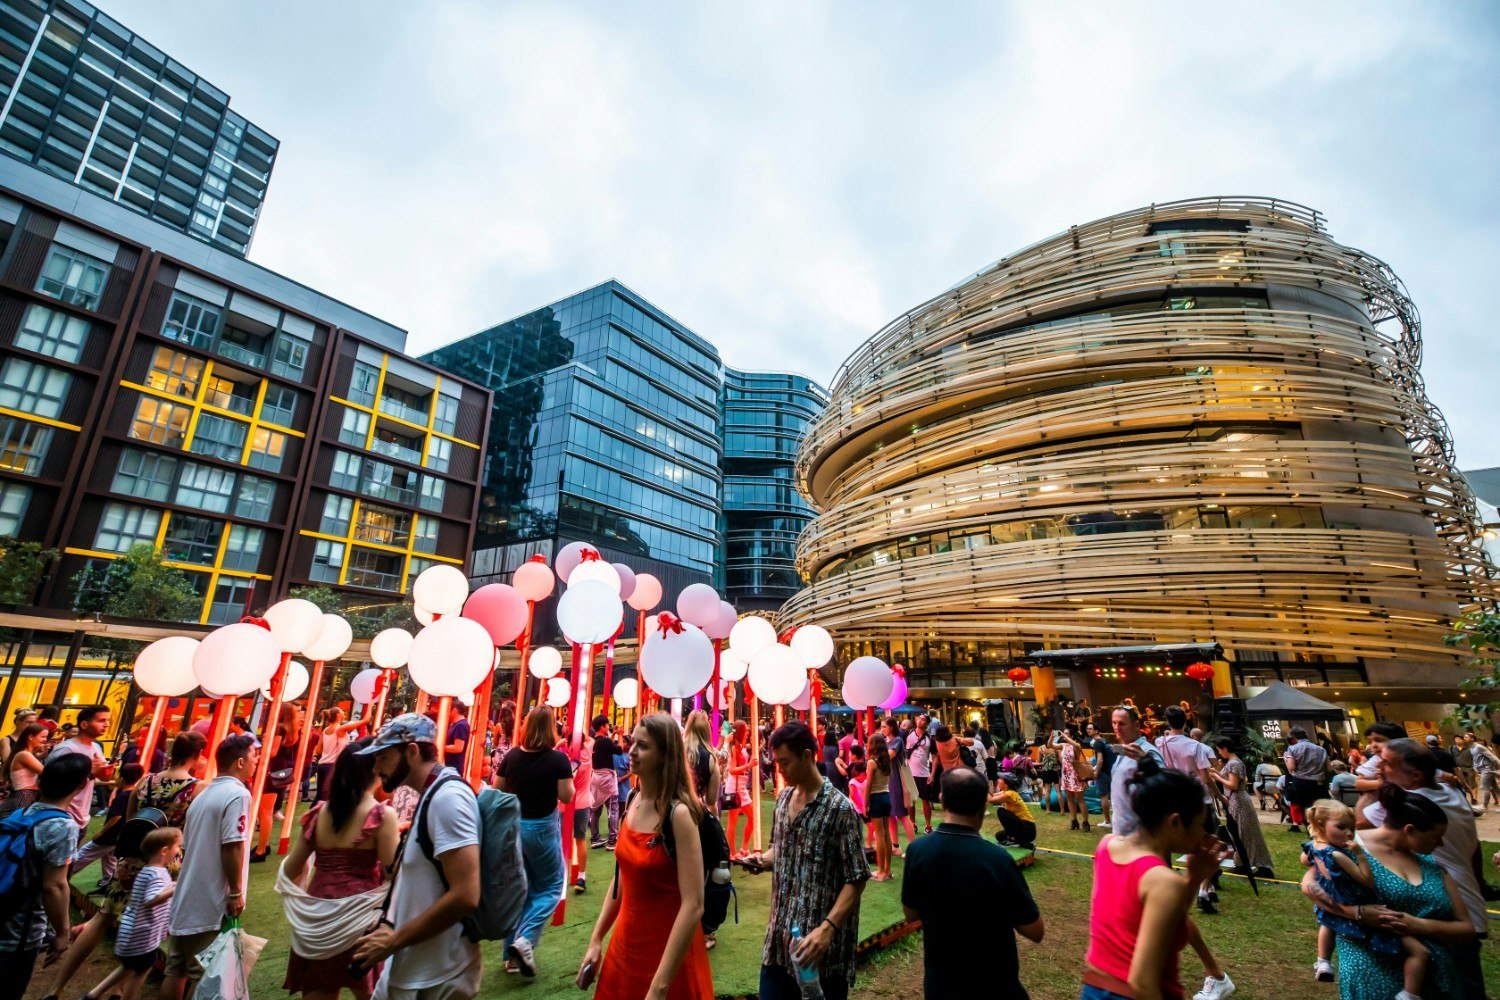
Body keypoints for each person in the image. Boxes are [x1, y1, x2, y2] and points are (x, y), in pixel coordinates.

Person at [581, 713, 713, 999]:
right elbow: (619, 883)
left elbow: (694, 905)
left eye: (643, 746)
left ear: (665, 755)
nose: (631, 750)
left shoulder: (679, 814)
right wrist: (596, 939)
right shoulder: (632, 799)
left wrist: (659, 986)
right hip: (624, 949)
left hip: (667, 962)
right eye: (633, 742)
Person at [350, 714, 482, 1000]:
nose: (376, 767)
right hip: (415, 969)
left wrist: (394, 939)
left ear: (411, 752)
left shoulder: (447, 799)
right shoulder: (433, 793)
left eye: (383, 757)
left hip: (438, 976)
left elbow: (466, 893)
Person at [1302, 785, 1475, 999]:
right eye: (1435, 836)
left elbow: (1466, 929)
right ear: (1409, 830)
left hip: (1437, 981)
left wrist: (1418, 924)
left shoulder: (1432, 865)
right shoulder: (1348, 848)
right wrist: (1356, 913)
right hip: (1373, 977)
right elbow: (1309, 886)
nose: (1440, 843)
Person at [1083, 758, 1234, 1000]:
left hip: (1095, 990)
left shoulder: (1106, 847)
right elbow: (1142, 983)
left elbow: (1157, 924)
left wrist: (1193, 880)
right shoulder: (1161, 880)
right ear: (1174, 822)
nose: (1203, 834)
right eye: (1199, 825)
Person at [750, 721, 868, 1000]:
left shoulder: (841, 809)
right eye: (776, 762)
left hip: (821, 955)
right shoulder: (783, 800)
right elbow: (780, 849)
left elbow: (857, 877)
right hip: (779, 945)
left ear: (807, 756)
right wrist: (762, 860)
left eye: (784, 762)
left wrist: (827, 929)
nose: (778, 769)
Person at [1361, 739, 1488, 998]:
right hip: (1468, 906)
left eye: (1386, 763)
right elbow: (1474, 849)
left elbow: (1355, 824)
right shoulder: (1450, 793)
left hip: (1442, 914)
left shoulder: (1409, 807)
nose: (1379, 767)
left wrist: (1370, 789)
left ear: (1415, 775)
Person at [903, 767, 1042, 997]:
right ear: (983, 806)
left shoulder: (918, 851)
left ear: (941, 799)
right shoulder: (998, 860)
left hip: (941, 985)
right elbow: (1034, 930)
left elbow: (911, 915)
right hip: (994, 984)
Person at [281, 738, 399, 1000]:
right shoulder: (381, 815)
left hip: (317, 917)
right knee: (372, 993)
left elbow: (290, 868)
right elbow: (393, 875)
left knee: (318, 990)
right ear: (375, 769)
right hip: (361, 917)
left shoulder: (319, 813)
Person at [160, 733, 255, 1000]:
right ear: (239, 762)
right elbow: (232, 844)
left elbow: (190, 846)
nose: (255, 762)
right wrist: (235, 892)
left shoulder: (203, 795)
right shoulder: (237, 794)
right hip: (210, 901)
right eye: (253, 757)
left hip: (186, 897)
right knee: (205, 977)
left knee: (175, 971)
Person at [1301, 798, 1429, 995]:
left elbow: (1304, 859)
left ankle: (1323, 961)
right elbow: (1366, 880)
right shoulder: (1337, 855)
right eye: (1341, 827)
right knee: (1417, 951)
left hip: (1335, 901)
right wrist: (1360, 855)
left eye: (1352, 828)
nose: (1349, 833)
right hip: (1356, 900)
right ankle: (1409, 994)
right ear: (1320, 825)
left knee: (1327, 924)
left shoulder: (1314, 845)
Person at [492, 705, 572, 977]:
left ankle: (509, 956)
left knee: (520, 889)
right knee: (551, 886)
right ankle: (524, 940)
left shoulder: (512, 756)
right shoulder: (557, 760)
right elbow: (567, 796)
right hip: (541, 829)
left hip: (513, 828)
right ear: (550, 727)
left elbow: (497, 789)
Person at [0, 752, 88, 998]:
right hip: (20, 929)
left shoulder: (23, 814)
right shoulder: (62, 825)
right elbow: (54, 886)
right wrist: (62, 933)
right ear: (81, 784)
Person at [82, 827, 179, 1000]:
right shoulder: (156, 874)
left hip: (131, 933)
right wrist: (176, 888)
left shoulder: (149, 871)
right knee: (142, 971)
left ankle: (93, 994)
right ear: (164, 851)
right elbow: (151, 899)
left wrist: (172, 884)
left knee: (128, 966)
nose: (179, 851)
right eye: (177, 847)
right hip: (143, 937)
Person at [71, 762, 144, 887]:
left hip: (108, 836)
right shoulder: (134, 794)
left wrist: (102, 832)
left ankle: (66, 873)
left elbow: (116, 816)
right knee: (109, 858)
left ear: (121, 779)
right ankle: (108, 880)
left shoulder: (122, 797)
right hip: (118, 836)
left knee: (85, 853)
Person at [1209, 738, 1272, 876]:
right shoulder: (1234, 763)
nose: (1219, 753)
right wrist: (1215, 773)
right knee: (1241, 833)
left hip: (1239, 801)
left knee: (1245, 834)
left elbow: (1233, 785)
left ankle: (1254, 865)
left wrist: (1217, 777)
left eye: (1219, 750)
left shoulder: (1234, 764)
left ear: (1225, 748)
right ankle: (1243, 863)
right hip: (1236, 801)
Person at [46, 704, 111, 831]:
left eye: (107, 720)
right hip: (61, 817)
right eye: (101, 720)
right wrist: (91, 772)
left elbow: (105, 778)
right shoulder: (67, 749)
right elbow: (48, 780)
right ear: (84, 725)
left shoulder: (96, 748)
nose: (107, 724)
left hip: (82, 818)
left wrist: (106, 770)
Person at [1109, 705, 1163, 837]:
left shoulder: (1147, 752)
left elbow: (1164, 787)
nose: (1117, 727)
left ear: (1137, 725)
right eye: (1114, 723)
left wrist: (1146, 761)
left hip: (1143, 836)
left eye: (1122, 723)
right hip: (1123, 834)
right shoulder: (1124, 750)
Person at [880, 718, 919, 855]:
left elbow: (888, 756)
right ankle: (895, 845)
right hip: (887, 780)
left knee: (902, 814)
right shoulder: (886, 742)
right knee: (890, 814)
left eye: (884, 727)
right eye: (882, 727)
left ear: (891, 727)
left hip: (896, 780)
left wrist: (876, 749)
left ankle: (913, 848)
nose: (882, 729)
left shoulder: (897, 741)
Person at [316, 708, 368, 801]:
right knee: (330, 797)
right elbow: (366, 720)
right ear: (337, 715)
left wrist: (329, 749)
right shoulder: (341, 728)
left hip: (322, 765)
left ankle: (312, 815)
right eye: (342, 711)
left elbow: (318, 751)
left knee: (320, 796)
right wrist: (371, 702)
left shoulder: (325, 730)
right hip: (333, 765)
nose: (344, 713)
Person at [722, 720, 754, 859]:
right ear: (741, 731)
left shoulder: (740, 746)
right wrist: (748, 766)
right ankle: (732, 852)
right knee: (732, 821)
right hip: (734, 786)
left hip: (741, 785)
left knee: (752, 818)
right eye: (746, 730)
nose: (748, 732)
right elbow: (732, 770)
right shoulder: (734, 747)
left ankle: (743, 849)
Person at [589, 715, 622, 849]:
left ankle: (595, 838)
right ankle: (612, 840)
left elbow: (606, 745)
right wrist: (619, 735)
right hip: (607, 777)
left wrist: (613, 733)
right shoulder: (605, 742)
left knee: (595, 808)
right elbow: (619, 750)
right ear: (602, 727)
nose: (609, 727)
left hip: (595, 777)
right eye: (608, 725)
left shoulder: (593, 741)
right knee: (613, 807)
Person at [0, 722, 46, 819]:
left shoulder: (26, 754)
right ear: (30, 737)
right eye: (42, 736)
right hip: (23, 796)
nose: (45, 740)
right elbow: (45, 772)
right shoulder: (24, 755)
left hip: (25, 796)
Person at [864, 733, 894, 880]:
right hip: (886, 797)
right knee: (886, 833)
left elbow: (868, 785)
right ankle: (887, 870)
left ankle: (881, 871)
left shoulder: (871, 762)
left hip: (876, 798)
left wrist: (865, 804)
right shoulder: (886, 760)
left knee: (879, 835)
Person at [1053, 726, 1092, 833]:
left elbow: (1075, 745)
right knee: (1070, 799)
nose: (1064, 735)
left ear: (1072, 736)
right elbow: (1050, 745)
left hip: (1075, 775)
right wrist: (1051, 737)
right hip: (1066, 775)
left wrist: (1065, 736)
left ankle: (1085, 822)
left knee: (1080, 799)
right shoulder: (1063, 745)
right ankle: (1074, 821)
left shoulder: (1076, 745)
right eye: (1063, 733)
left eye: (1067, 734)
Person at [988, 771, 1037, 851]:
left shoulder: (1010, 794)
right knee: (999, 836)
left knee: (1001, 811)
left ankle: (1013, 839)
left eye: (1001, 779)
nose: (998, 780)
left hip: (1028, 828)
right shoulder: (1006, 792)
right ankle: (1026, 844)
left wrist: (981, 784)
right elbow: (992, 796)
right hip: (1023, 827)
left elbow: (991, 800)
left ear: (1006, 784)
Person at [684, 710, 720, 816]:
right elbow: (711, 801)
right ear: (707, 729)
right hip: (694, 814)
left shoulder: (675, 749)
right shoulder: (710, 758)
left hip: (670, 812)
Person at [905, 715, 935, 832]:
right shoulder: (909, 735)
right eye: (919, 718)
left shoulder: (929, 738)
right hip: (910, 772)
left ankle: (928, 825)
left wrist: (932, 774)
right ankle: (913, 822)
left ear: (927, 724)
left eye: (923, 719)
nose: (919, 720)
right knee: (911, 800)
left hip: (924, 773)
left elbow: (935, 756)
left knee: (925, 800)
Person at [1086, 722, 1115, 829]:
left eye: (1090, 729)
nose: (1088, 730)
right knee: (1111, 796)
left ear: (1096, 730)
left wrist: (1096, 774)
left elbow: (1100, 760)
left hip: (1103, 772)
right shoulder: (1104, 740)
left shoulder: (1098, 743)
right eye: (1087, 729)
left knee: (1103, 796)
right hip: (1110, 771)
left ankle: (1107, 821)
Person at [1471, 735, 1500, 811]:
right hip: (1487, 769)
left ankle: (1484, 806)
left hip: (1487, 770)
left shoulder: (1479, 748)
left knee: (1486, 787)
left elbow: (1493, 758)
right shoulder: (1474, 749)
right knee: (1495, 787)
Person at [1036, 737, 1062, 814]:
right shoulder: (1055, 747)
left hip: (1046, 771)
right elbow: (1060, 760)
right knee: (1058, 791)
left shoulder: (1040, 748)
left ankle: (1047, 810)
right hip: (1055, 771)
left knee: (1047, 791)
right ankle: (1062, 810)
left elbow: (1038, 761)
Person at [442, 702, 469, 771]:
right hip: (450, 765)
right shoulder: (455, 725)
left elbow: (458, 748)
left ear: (454, 710)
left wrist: (440, 747)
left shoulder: (461, 725)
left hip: (455, 767)